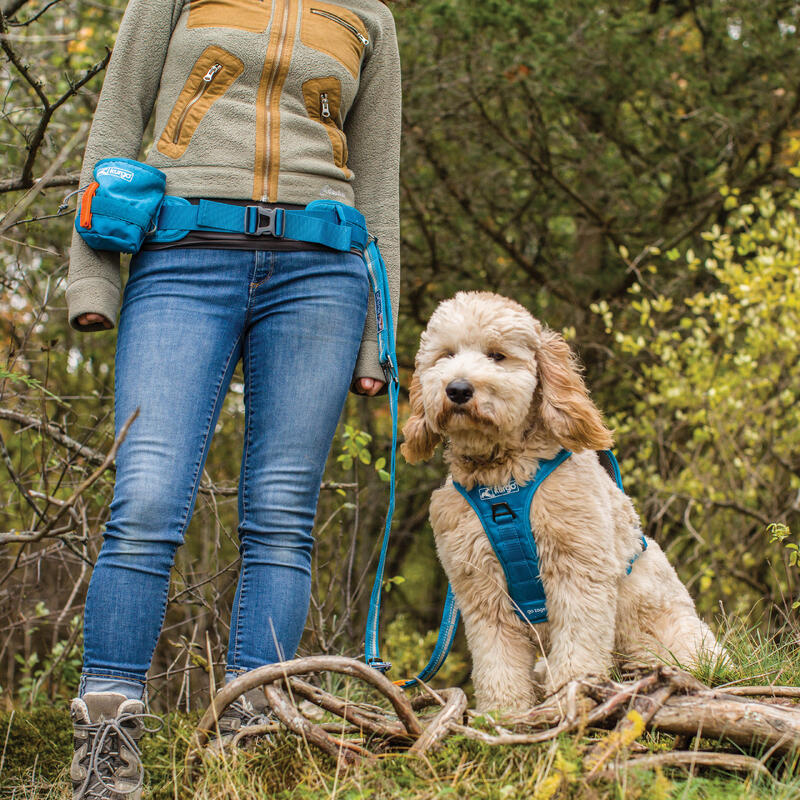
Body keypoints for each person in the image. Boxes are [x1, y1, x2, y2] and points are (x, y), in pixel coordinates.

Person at [65, 0, 400, 796]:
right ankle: (107, 742)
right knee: (145, 495)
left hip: (323, 271)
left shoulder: (370, 17)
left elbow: (380, 181)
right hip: (182, 258)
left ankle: (254, 735)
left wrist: (377, 335)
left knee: (283, 513)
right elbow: (116, 122)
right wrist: (91, 277)